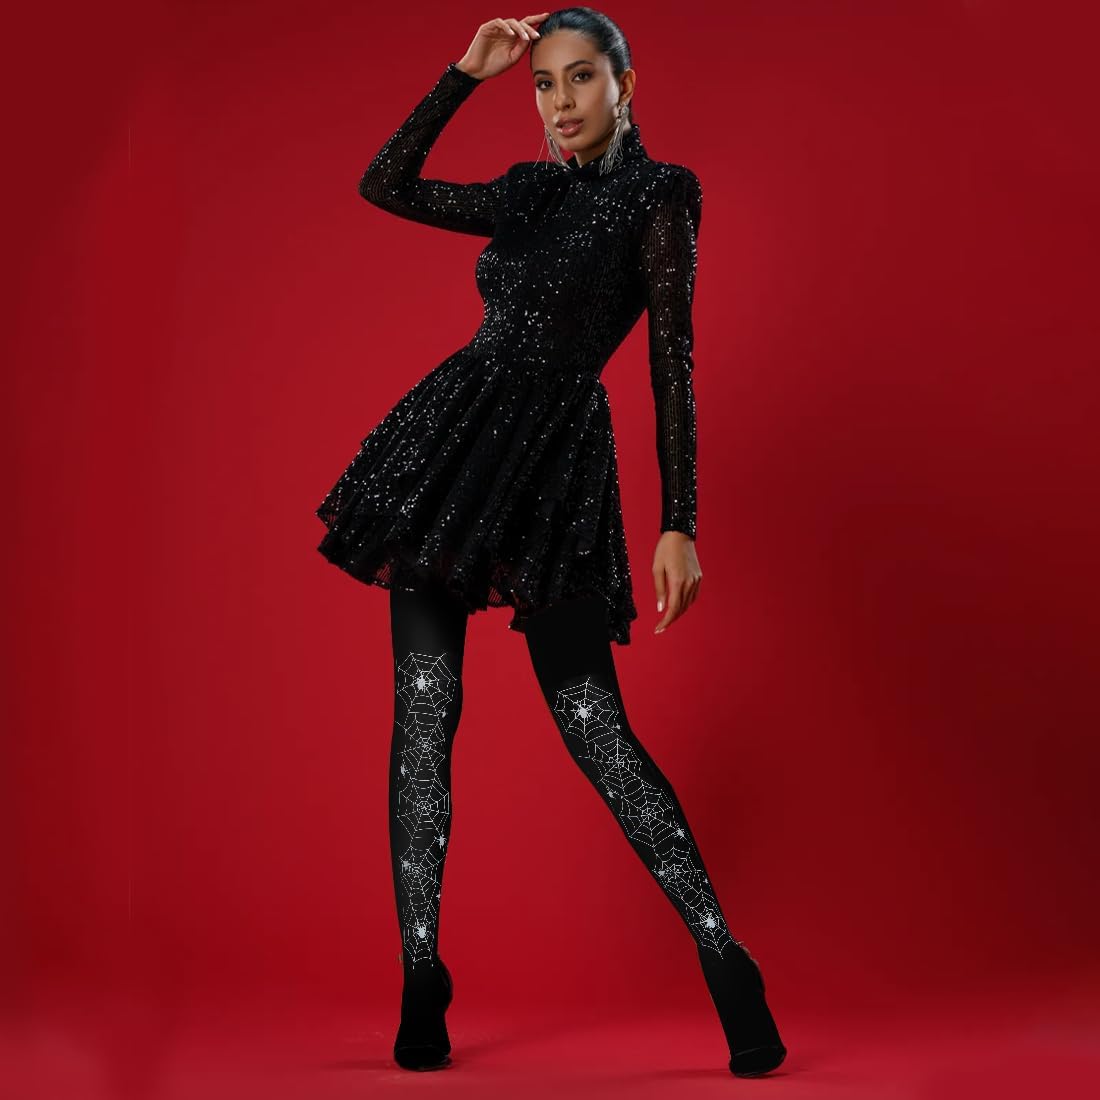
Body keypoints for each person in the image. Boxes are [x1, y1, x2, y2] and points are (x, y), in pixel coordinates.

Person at [314, 7, 787, 1078]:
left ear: (625, 82)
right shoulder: (526, 191)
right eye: (543, 83)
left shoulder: (660, 195)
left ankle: (723, 954)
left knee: (592, 724)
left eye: (579, 78)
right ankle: (422, 968)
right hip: (450, 454)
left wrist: (680, 520)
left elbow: (673, 360)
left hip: (557, 469)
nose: (559, 101)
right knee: (424, 711)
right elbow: (386, 184)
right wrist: (464, 73)